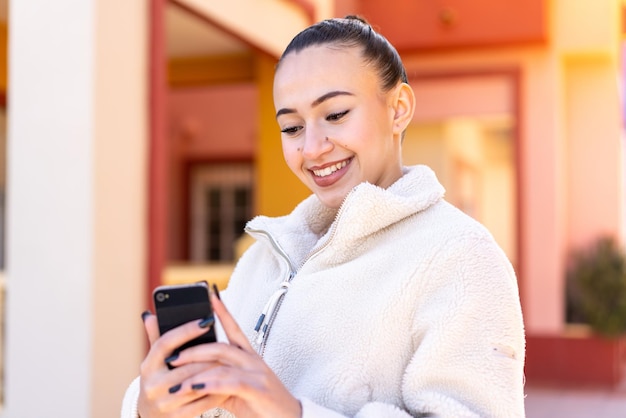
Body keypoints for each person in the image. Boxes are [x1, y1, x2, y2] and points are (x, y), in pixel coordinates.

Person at [121, 15, 526, 418]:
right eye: (292, 127)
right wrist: (149, 407)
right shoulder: (265, 257)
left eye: (335, 115)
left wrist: (293, 413)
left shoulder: (461, 256)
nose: (312, 148)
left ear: (398, 109)